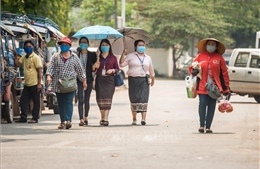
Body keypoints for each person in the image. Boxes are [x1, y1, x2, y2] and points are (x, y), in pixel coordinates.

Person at [189, 38, 230, 133]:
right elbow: (191, 68)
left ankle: (208, 127)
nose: (210, 46)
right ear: (206, 45)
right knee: (202, 103)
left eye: (213, 44)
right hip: (202, 86)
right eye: (209, 44)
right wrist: (193, 70)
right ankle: (201, 125)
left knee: (211, 106)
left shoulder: (219, 58)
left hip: (215, 87)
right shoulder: (199, 56)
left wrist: (226, 88)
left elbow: (224, 73)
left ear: (216, 47)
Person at [46, 37, 87, 129]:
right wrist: (49, 76)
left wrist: (84, 81)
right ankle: (62, 121)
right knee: (60, 103)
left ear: (69, 46)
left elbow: (80, 70)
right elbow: (50, 68)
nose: (64, 46)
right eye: (62, 45)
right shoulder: (55, 57)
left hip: (70, 84)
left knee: (68, 102)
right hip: (58, 84)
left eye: (66, 45)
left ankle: (68, 120)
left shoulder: (74, 57)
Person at [119, 39, 155, 125]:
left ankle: (143, 119)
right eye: (140, 45)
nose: (142, 47)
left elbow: (151, 70)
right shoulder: (130, 56)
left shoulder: (148, 58)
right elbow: (121, 64)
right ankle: (134, 119)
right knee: (134, 99)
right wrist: (123, 53)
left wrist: (153, 79)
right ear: (135, 47)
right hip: (133, 80)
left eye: (143, 45)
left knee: (144, 99)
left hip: (144, 80)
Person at [92, 39, 119, 126]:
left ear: (109, 47)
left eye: (107, 45)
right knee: (100, 99)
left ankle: (106, 119)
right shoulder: (97, 57)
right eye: (103, 45)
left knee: (108, 99)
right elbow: (93, 69)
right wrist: (96, 63)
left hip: (110, 81)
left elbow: (118, 69)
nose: (105, 47)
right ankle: (102, 117)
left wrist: (112, 70)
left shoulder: (113, 57)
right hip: (100, 80)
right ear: (100, 46)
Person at [14, 40, 43, 123]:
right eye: (26, 47)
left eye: (30, 47)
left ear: (33, 47)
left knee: (36, 102)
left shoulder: (36, 58)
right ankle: (23, 117)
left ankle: (35, 118)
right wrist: (16, 56)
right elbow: (18, 64)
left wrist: (39, 84)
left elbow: (40, 71)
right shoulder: (24, 57)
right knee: (23, 101)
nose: (28, 48)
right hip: (27, 84)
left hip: (35, 84)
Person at [76, 37, 97, 126]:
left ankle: (86, 117)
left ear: (88, 44)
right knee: (80, 99)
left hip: (88, 79)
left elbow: (94, 69)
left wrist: (95, 64)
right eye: (82, 43)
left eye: (85, 43)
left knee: (86, 99)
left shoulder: (92, 55)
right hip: (79, 79)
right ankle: (81, 119)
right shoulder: (76, 55)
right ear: (79, 44)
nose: (83, 44)